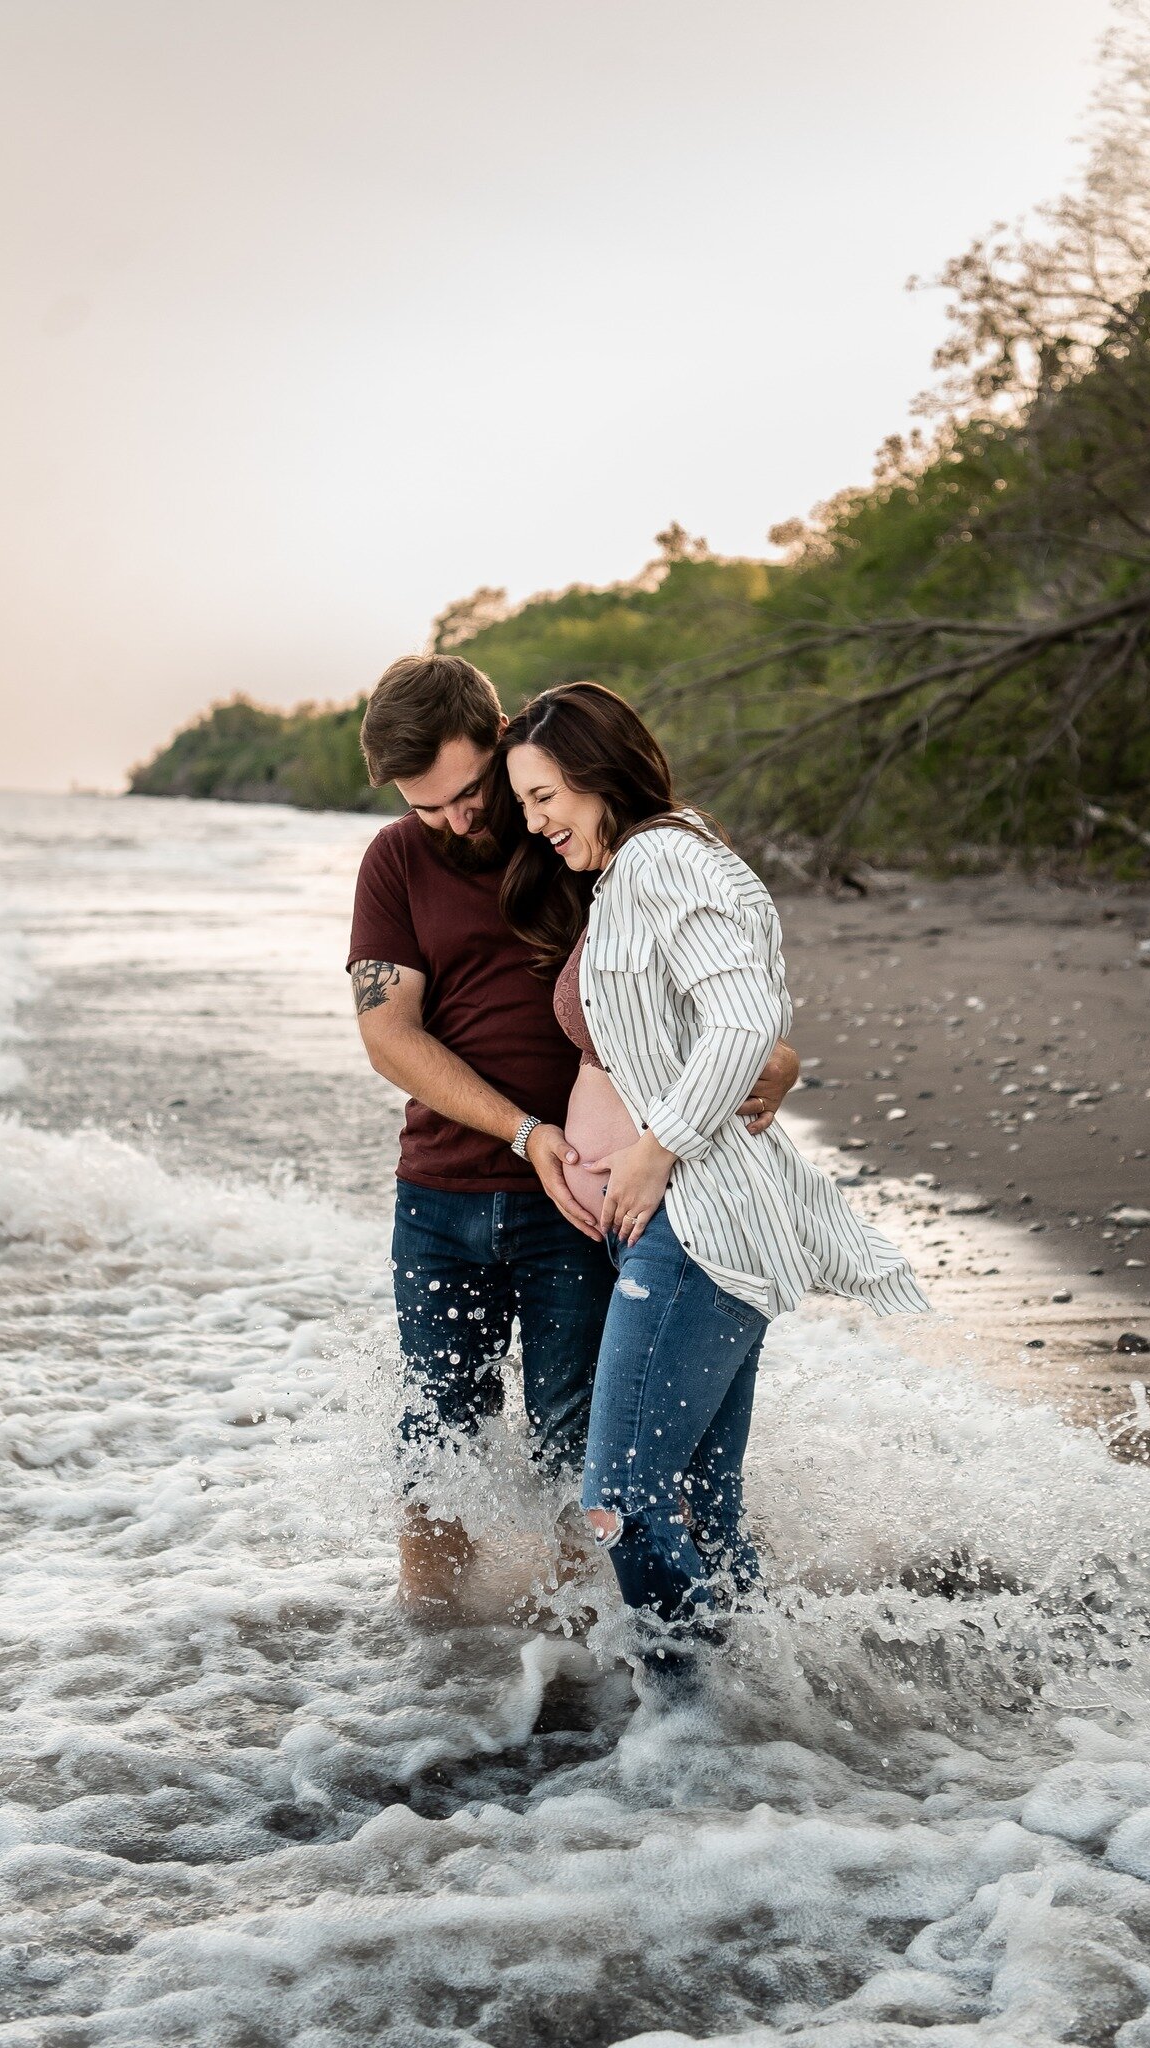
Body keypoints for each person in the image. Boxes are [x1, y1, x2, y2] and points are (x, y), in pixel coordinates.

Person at [345, 654, 801, 1615]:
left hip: (586, 1205)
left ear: (501, 740)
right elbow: (388, 1033)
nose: (457, 821)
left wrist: (779, 1057)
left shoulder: (577, 840)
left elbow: (710, 978)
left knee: (574, 1446)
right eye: (427, 806)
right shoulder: (396, 858)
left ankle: (570, 1667)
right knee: (435, 1442)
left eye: (470, 793)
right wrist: (523, 1132)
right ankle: (436, 1670)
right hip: (440, 1197)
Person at [494, 681, 929, 1669]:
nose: (535, 821)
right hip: (691, 1222)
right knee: (701, 1502)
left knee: (618, 1504)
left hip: (695, 1224)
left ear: (598, 774)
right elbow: (738, 1027)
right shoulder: (651, 865)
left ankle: (693, 1716)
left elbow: (740, 1024)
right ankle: (760, 1710)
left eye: (546, 795)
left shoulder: (658, 862)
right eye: (522, 803)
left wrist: (654, 1148)